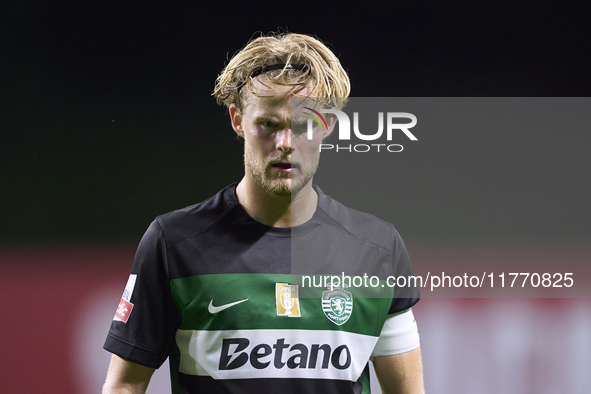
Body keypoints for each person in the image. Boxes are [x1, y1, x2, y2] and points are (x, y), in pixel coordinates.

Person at [103, 32, 424, 394]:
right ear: (238, 121)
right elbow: (125, 385)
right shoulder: (173, 242)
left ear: (327, 126)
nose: (286, 144)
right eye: (269, 125)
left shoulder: (378, 248)